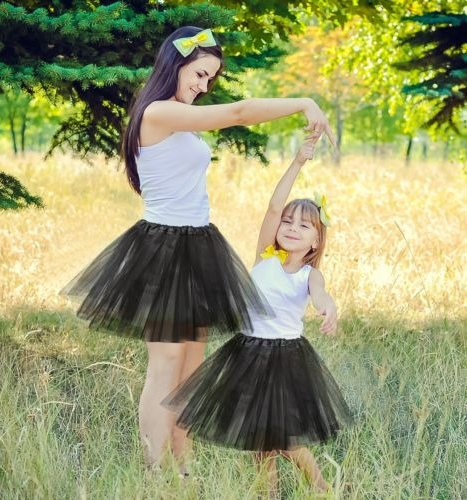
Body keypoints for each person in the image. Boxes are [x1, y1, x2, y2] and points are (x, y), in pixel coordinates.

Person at [61, 26, 336, 471]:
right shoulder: (157, 112)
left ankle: (182, 465)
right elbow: (241, 112)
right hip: (163, 247)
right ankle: (153, 471)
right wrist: (304, 103)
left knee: (191, 366)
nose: (204, 86)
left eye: (210, 79)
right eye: (200, 74)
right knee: (165, 363)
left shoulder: (178, 115)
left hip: (199, 244)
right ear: (177, 62)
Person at [163, 137, 352, 494]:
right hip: (247, 353)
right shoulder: (266, 257)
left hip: (285, 358)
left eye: (304, 225)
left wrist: (328, 308)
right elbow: (272, 206)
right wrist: (297, 162)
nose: (292, 227)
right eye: (288, 221)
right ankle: (268, 492)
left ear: (316, 241)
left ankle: (322, 486)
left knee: (284, 438)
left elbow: (320, 295)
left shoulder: (308, 274)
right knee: (257, 436)